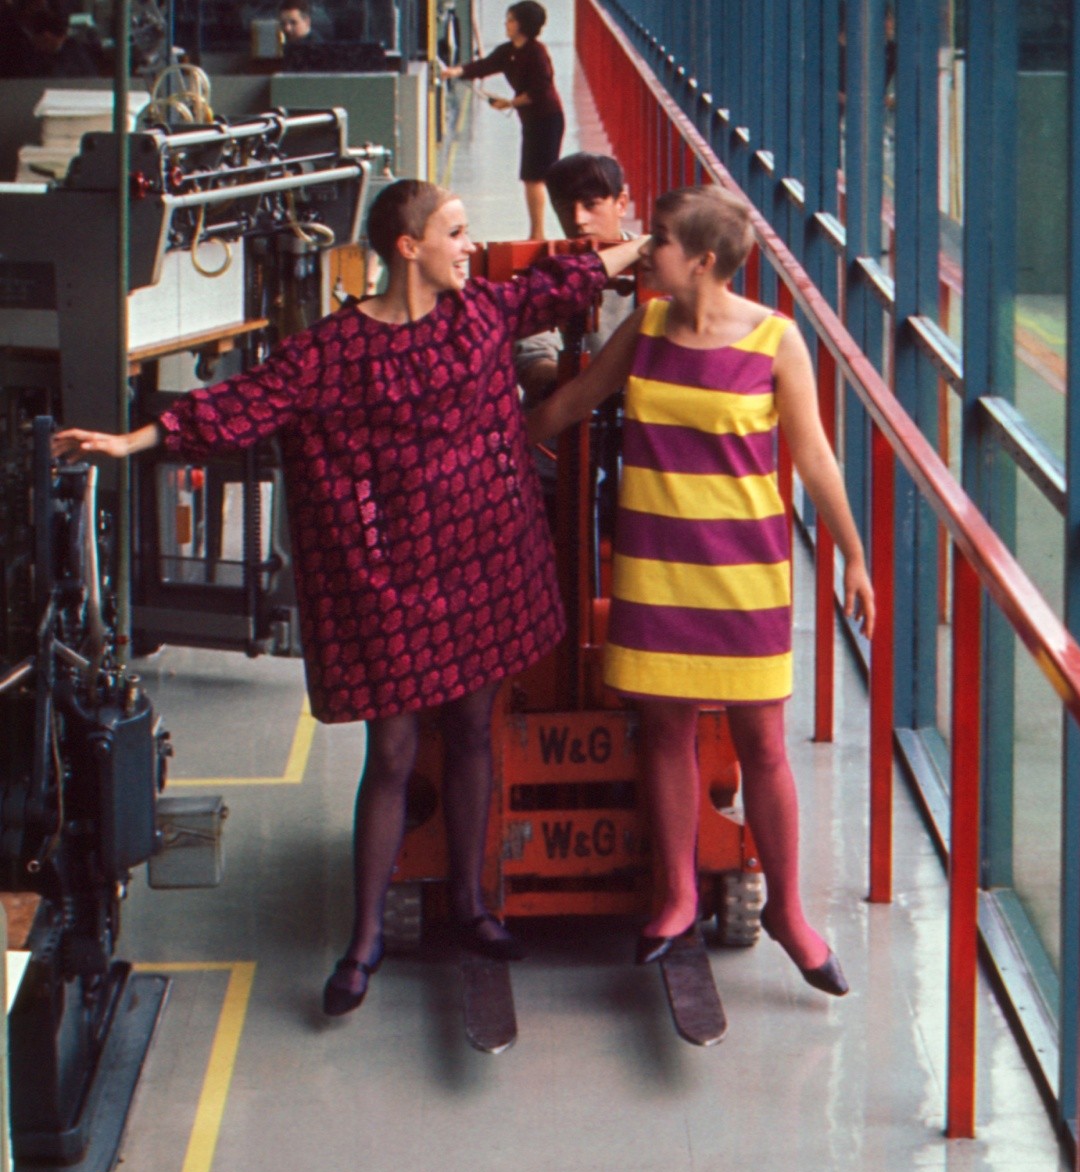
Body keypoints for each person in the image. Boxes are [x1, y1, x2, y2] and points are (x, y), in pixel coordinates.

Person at [55, 180, 647, 1017]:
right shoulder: (330, 351)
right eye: (455, 232)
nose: (468, 246)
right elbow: (239, 405)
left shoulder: (479, 313)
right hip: (395, 583)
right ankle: (364, 937)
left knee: (476, 728)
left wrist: (644, 251)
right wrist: (128, 439)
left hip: (482, 566)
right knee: (396, 753)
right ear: (408, 247)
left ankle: (473, 905)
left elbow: (561, 282)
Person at [529, 186, 876, 995]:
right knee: (665, 732)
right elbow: (576, 403)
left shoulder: (776, 341)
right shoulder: (644, 329)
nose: (646, 252)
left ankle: (789, 912)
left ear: (705, 262)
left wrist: (853, 557)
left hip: (743, 576)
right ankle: (678, 895)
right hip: (655, 567)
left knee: (762, 742)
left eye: (662, 243)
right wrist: (486, 445)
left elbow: (816, 459)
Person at [514, 152, 636, 400]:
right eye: (565, 208)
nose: (579, 220)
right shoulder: (543, 270)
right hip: (565, 406)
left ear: (621, 204)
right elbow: (533, 362)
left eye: (591, 205)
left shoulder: (657, 265)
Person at [441, 2, 563, 242]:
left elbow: (541, 88)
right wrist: (454, 72)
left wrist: (510, 103)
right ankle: (536, 232)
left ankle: (538, 234)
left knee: (535, 177)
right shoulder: (508, 51)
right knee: (531, 176)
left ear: (523, 25)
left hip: (547, 120)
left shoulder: (537, 52)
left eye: (510, 20)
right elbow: (484, 66)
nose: (506, 24)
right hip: (531, 120)